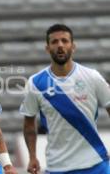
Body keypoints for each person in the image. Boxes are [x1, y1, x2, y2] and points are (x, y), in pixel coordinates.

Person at [20, 24, 110, 174]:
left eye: (64, 41)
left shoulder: (92, 77)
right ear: (47, 48)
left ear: (73, 46)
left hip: (96, 164)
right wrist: (32, 156)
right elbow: (29, 124)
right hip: (58, 167)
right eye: (54, 42)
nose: (60, 45)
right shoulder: (35, 83)